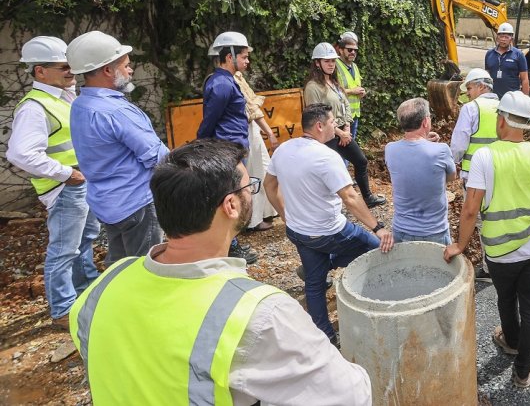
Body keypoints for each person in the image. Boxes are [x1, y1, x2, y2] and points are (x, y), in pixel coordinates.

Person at [69, 139, 372, 405]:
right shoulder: (259, 313)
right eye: (247, 186)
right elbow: (349, 395)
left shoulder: (106, 282)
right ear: (231, 205)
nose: (251, 192)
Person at [444, 91, 530, 389]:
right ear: (527, 124)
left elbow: (471, 210)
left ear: (501, 121)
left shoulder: (485, 156)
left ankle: (510, 341)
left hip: (500, 253)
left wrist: (460, 245)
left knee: (506, 299)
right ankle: (523, 373)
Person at [264, 103, 394, 344]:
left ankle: (325, 337)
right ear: (320, 126)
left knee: (314, 285)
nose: (336, 126)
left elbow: (269, 185)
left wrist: (285, 216)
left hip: (298, 232)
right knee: (377, 247)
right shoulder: (326, 157)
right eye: (333, 122)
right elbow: (351, 197)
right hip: (331, 232)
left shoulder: (283, 149)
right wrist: (378, 227)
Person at [7, 36, 98, 329]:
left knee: (84, 242)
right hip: (66, 188)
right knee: (64, 250)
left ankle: (85, 293)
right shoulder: (34, 107)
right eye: (63, 67)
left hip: (80, 183)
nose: (71, 71)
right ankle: (62, 310)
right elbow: (20, 153)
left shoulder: (65, 96)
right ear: (40, 71)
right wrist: (66, 174)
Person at [67, 31, 169, 264]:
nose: (130, 70)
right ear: (107, 70)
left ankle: (114, 299)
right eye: (126, 65)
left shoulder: (80, 105)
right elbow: (157, 157)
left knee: (119, 265)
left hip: (107, 203)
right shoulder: (116, 111)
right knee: (144, 268)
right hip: (137, 203)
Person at [197, 31, 258, 262]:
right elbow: (210, 119)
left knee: (230, 195)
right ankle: (230, 246)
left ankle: (229, 242)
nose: (247, 61)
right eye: (243, 56)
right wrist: (203, 143)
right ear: (229, 56)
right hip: (226, 150)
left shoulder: (227, 81)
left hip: (232, 148)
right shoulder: (221, 84)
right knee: (229, 197)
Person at [304, 42, 385, 207]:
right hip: (327, 136)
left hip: (342, 131)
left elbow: (345, 104)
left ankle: (367, 198)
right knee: (331, 170)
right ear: (317, 63)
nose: (331, 64)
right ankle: (331, 205)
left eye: (333, 61)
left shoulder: (334, 82)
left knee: (361, 161)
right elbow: (317, 117)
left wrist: (346, 127)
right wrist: (340, 133)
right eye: (327, 61)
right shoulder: (313, 87)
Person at [449, 68, 499, 280]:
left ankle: (489, 268)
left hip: (475, 175)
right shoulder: (503, 106)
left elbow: (459, 144)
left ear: (481, 86)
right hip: (500, 170)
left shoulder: (471, 108)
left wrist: (453, 162)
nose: (467, 93)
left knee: (479, 219)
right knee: (496, 216)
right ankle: (500, 260)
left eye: (469, 88)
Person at [385, 98, 454, 245]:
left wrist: (425, 142)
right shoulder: (441, 150)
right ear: (425, 122)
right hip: (435, 232)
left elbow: (411, 155)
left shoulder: (390, 149)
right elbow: (450, 177)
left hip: (401, 231)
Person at [231, 66, 278, 231]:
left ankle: (269, 210)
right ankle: (253, 220)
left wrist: (268, 132)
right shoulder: (231, 80)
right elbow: (252, 109)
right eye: (244, 57)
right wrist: (270, 133)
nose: (247, 61)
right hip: (246, 132)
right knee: (253, 175)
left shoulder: (237, 77)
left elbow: (253, 108)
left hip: (252, 131)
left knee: (265, 170)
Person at [484, 22, 529, 99]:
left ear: (511, 39)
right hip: (492, 97)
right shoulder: (489, 54)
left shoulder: (518, 55)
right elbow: (486, 77)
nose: (503, 39)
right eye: (501, 36)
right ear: (497, 37)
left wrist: (525, 99)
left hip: (512, 99)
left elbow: (524, 79)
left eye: (506, 37)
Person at [335, 31, 366, 141]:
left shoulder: (355, 66)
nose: (353, 52)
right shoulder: (334, 66)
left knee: (350, 145)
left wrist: (361, 92)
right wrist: (353, 91)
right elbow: (333, 91)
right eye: (349, 50)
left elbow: (356, 86)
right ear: (341, 50)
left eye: (355, 50)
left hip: (354, 115)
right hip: (340, 116)